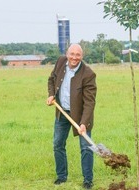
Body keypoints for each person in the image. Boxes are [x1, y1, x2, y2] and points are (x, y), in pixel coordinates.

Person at [46, 44, 97, 189]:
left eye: (78, 55)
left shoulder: (88, 74)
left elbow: (89, 102)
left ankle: (88, 180)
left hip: (81, 116)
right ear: (67, 54)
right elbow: (51, 79)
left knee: (86, 147)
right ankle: (61, 176)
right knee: (58, 144)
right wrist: (51, 94)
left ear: (82, 56)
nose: (74, 57)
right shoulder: (61, 62)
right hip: (62, 112)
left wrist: (84, 123)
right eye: (72, 54)